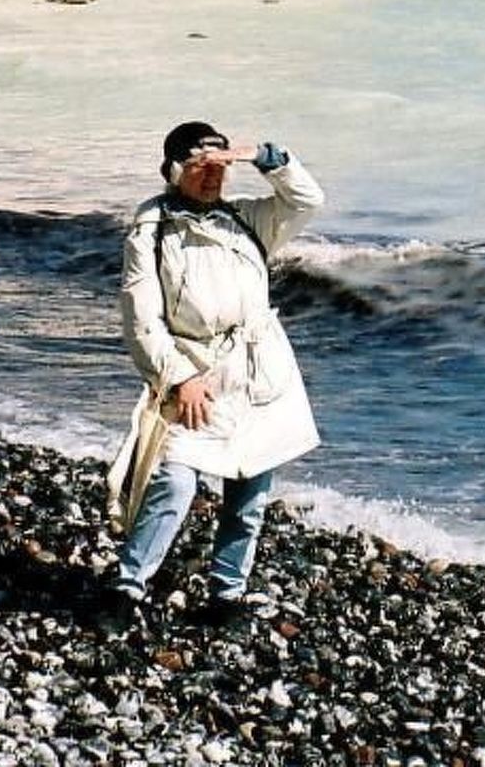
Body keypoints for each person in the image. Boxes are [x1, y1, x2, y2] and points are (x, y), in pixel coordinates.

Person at [95, 121, 323, 632]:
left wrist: (264, 157)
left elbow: (307, 200)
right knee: (174, 482)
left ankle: (227, 594)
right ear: (174, 171)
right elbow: (141, 319)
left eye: (219, 165)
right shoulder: (152, 231)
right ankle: (127, 587)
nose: (210, 176)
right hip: (193, 376)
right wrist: (178, 378)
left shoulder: (246, 221)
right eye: (199, 165)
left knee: (249, 495)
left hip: (258, 374)